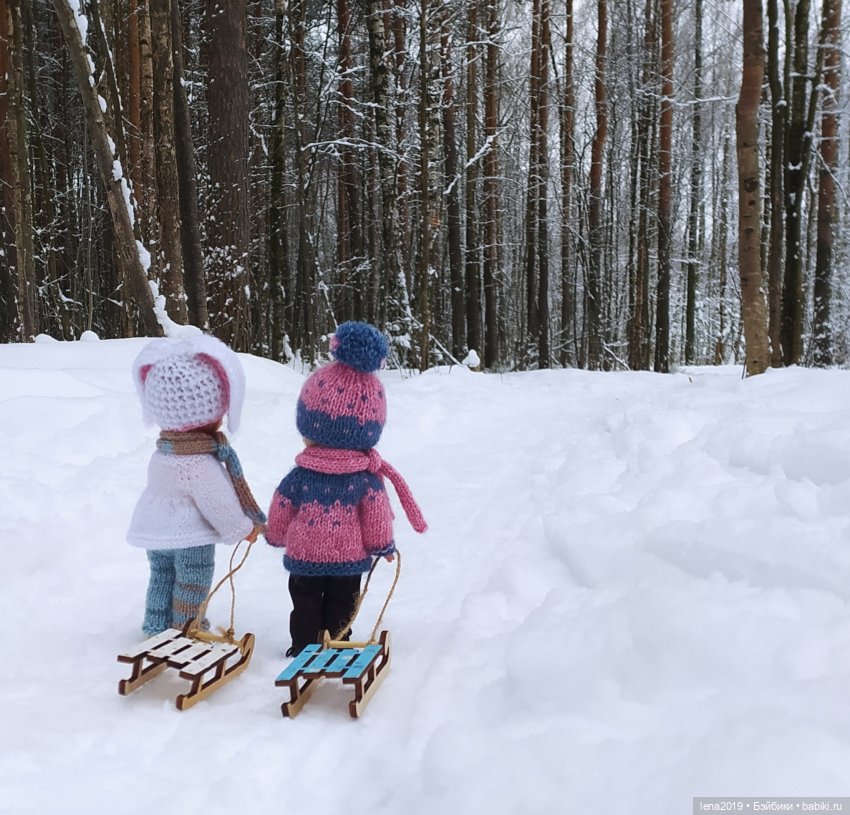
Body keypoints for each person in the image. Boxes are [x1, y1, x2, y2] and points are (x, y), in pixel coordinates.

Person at [266, 321, 427, 656]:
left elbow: (282, 505)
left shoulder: (300, 475)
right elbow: (376, 516)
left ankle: (303, 646)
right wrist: (382, 545)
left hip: (304, 554)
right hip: (349, 557)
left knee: (305, 600)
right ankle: (338, 642)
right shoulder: (365, 478)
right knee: (343, 601)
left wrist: (276, 534)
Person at [127, 334, 265, 637]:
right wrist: (243, 528)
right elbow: (218, 504)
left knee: (161, 576)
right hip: (190, 537)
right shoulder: (198, 463)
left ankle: (156, 624)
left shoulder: (164, 451)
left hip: (156, 533)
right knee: (192, 581)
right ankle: (187, 629)